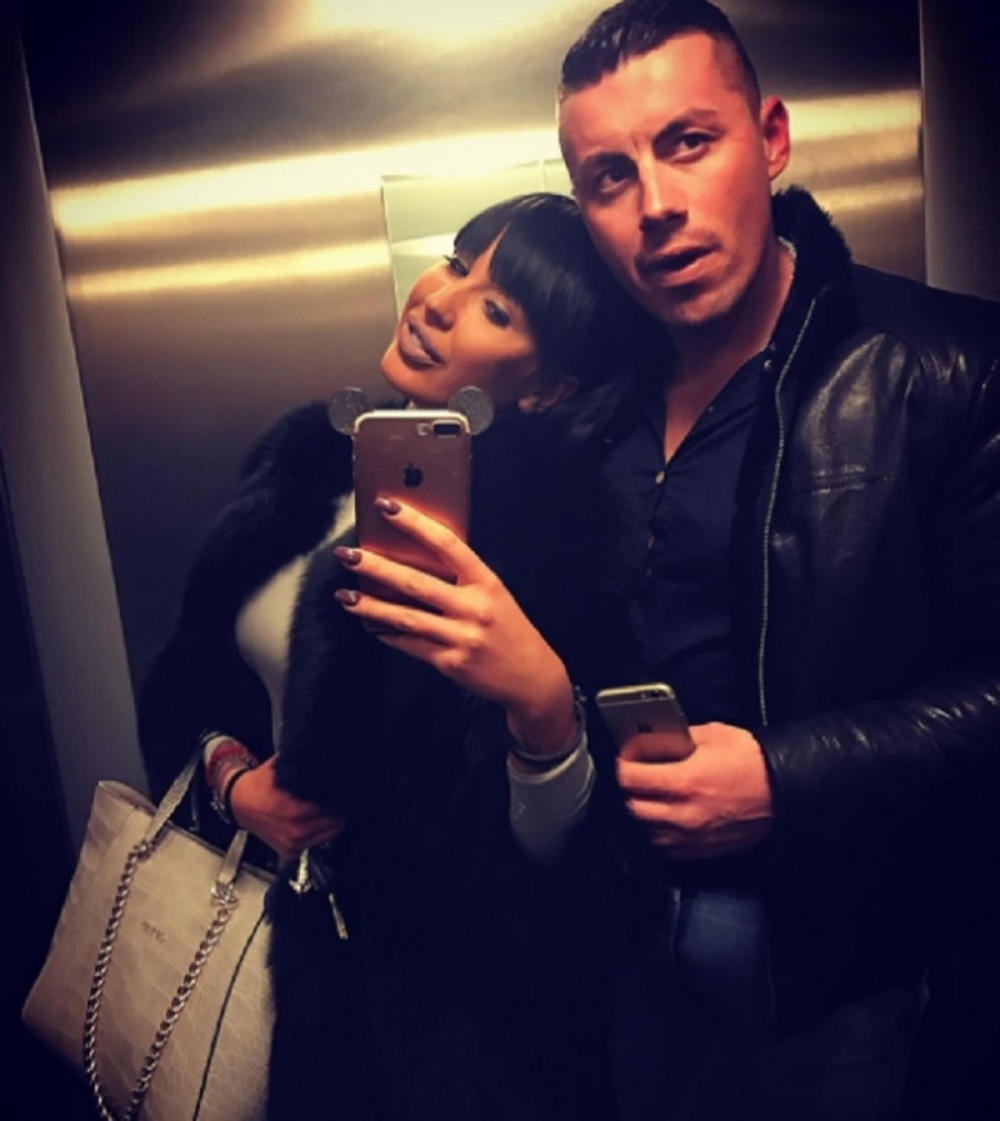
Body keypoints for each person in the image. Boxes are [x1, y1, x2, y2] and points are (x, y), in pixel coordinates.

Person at [541, 1, 1000, 1119]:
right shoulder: (583, 416)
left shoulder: (948, 369)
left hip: (844, 959)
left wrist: (786, 782)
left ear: (772, 139)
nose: (656, 204)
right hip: (629, 946)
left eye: (688, 142)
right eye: (610, 176)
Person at [137, 191, 654, 1121]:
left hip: (479, 1040)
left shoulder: (560, 540)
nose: (438, 301)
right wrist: (235, 783)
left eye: (496, 307)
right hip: (292, 977)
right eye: (456, 261)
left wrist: (544, 706)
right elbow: (190, 682)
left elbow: (577, 873)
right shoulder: (297, 468)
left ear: (548, 388)